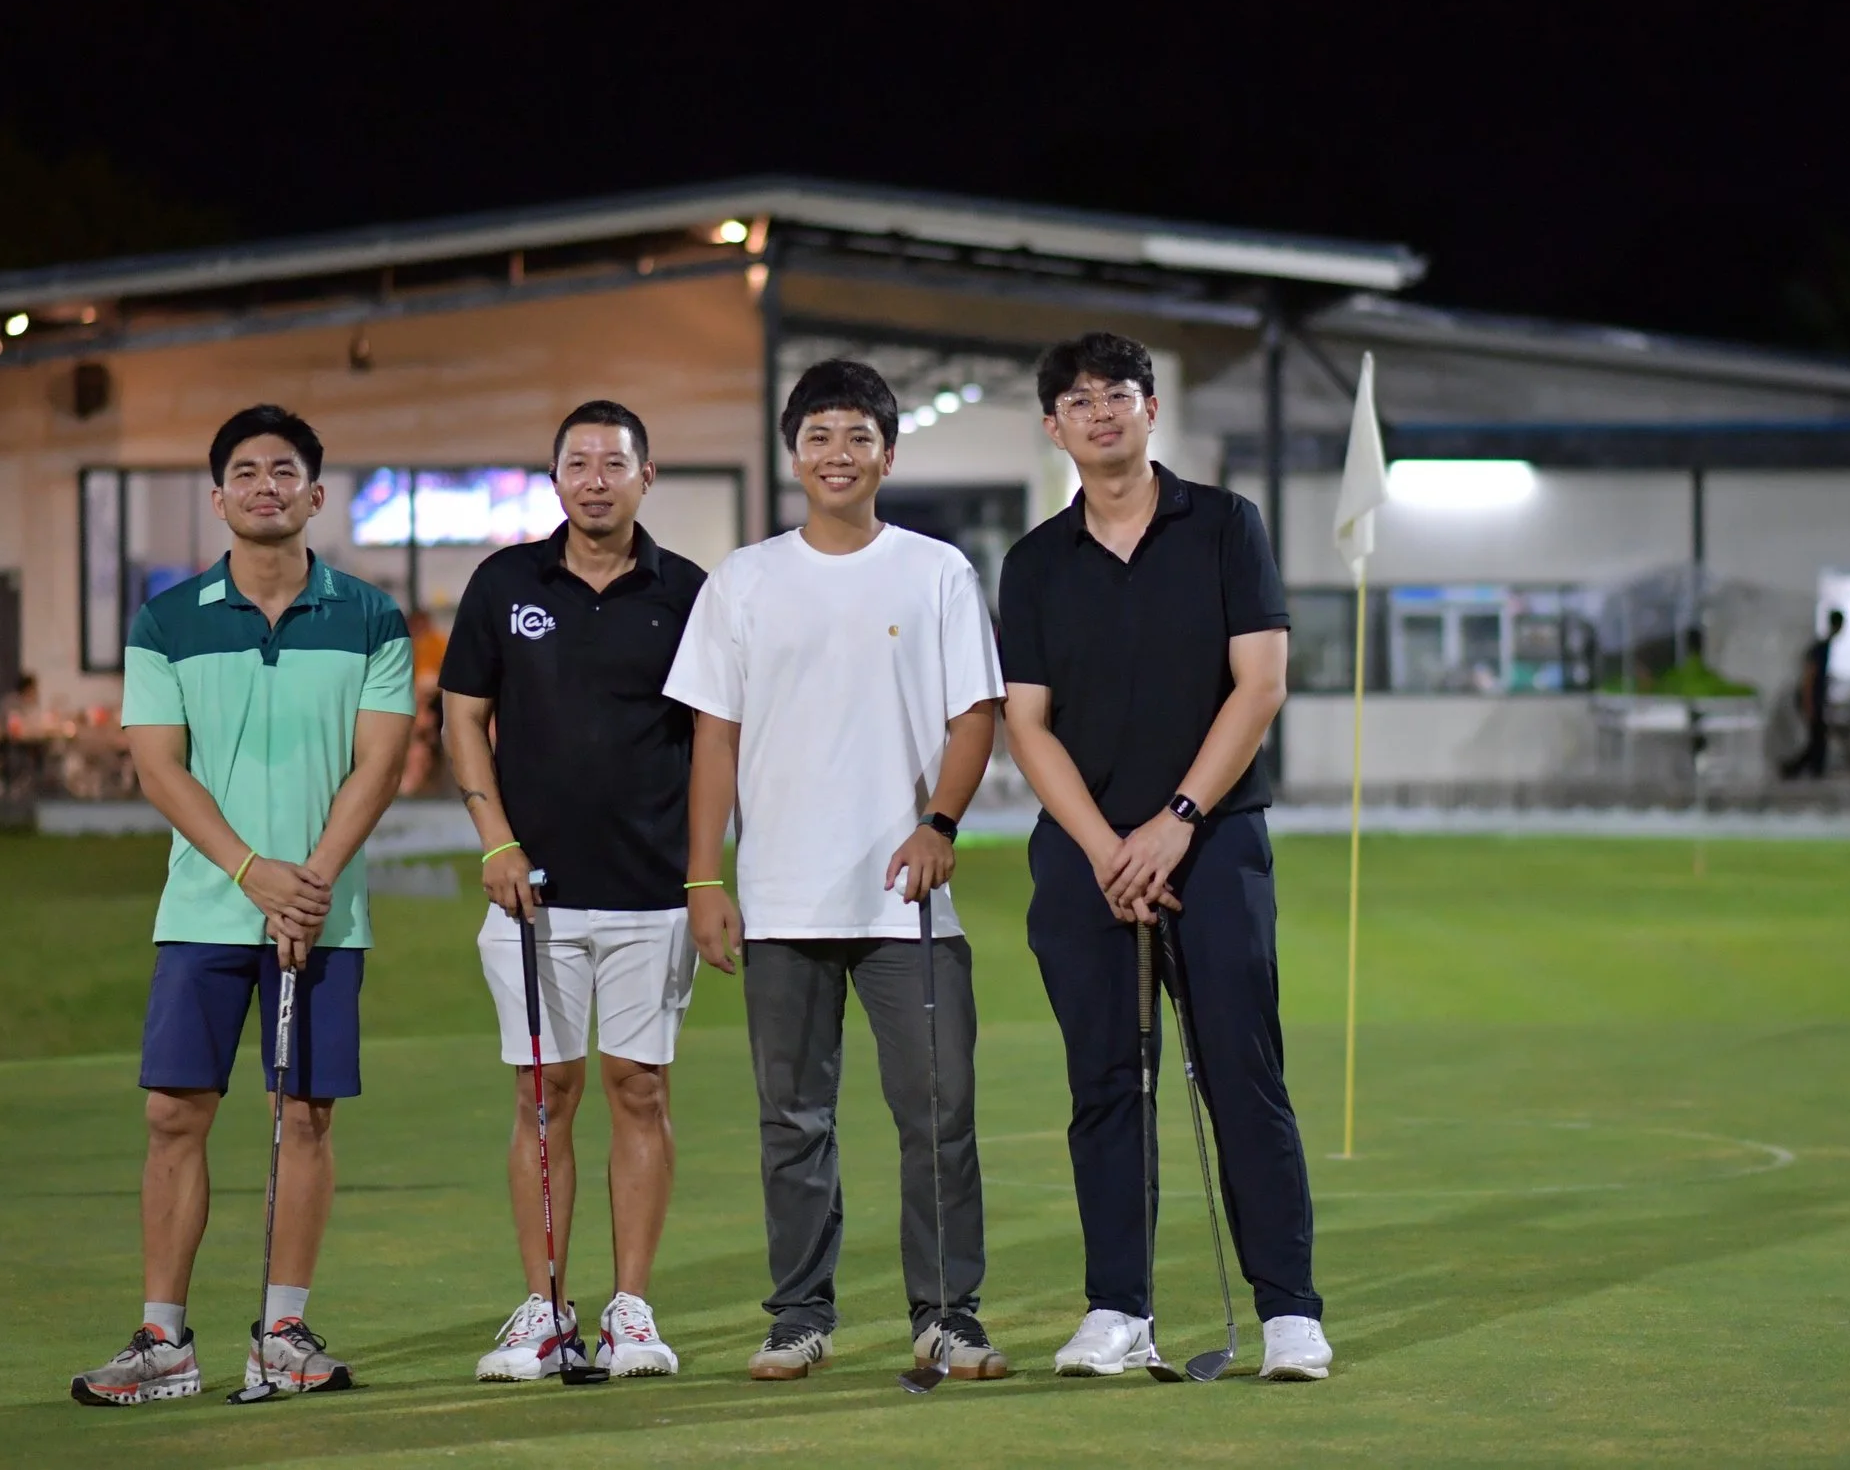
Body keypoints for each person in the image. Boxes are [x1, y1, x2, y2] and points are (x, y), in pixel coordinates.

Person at [663, 357, 1011, 1383]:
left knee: (938, 1114)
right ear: (794, 452)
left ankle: (947, 1314)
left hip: (910, 902)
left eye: (858, 436)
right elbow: (712, 740)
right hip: (778, 897)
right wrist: (703, 878)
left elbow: (973, 713)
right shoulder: (744, 579)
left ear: (888, 454)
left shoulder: (936, 570)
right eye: (819, 435)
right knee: (792, 1120)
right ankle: (800, 1315)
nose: (838, 453)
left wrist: (940, 819)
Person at [997, 331, 1331, 1383]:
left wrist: (1177, 818)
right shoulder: (1035, 560)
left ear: (1150, 410)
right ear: (1053, 426)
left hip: (1215, 840)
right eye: (1079, 401)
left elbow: (1260, 683)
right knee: (1104, 1084)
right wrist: (1107, 846)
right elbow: (1028, 722)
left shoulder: (1227, 525)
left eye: (1120, 396)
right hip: (1086, 857)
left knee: (1243, 1074)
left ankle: (1288, 1311)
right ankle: (1117, 1309)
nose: (1101, 413)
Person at [70, 404, 414, 1406]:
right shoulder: (166, 621)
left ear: (315, 494)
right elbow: (158, 767)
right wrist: (251, 871)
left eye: (287, 470)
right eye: (246, 472)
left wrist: (307, 880)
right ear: (217, 498)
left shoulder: (372, 616)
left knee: (303, 1113)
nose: (267, 485)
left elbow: (380, 762)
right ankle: (162, 1340)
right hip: (204, 912)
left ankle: (284, 1328)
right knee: (174, 1111)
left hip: (323, 914)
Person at [439, 400, 708, 1380]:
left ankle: (629, 1309)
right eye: (578, 462)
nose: (595, 478)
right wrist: (494, 839)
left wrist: (708, 866)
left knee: (639, 1087)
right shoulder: (505, 581)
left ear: (647, 474)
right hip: (531, 893)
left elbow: (714, 738)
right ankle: (544, 1305)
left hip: (651, 890)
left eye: (614, 461)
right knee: (543, 1092)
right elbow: (464, 716)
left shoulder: (685, 591)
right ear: (554, 477)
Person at [1779, 609, 1845, 779]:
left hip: (1815, 699)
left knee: (1816, 739)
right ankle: (1794, 770)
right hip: (1810, 698)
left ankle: (1797, 770)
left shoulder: (1825, 646)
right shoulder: (1821, 647)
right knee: (1817, 739)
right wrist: (1809, 703)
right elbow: (1809, 676)